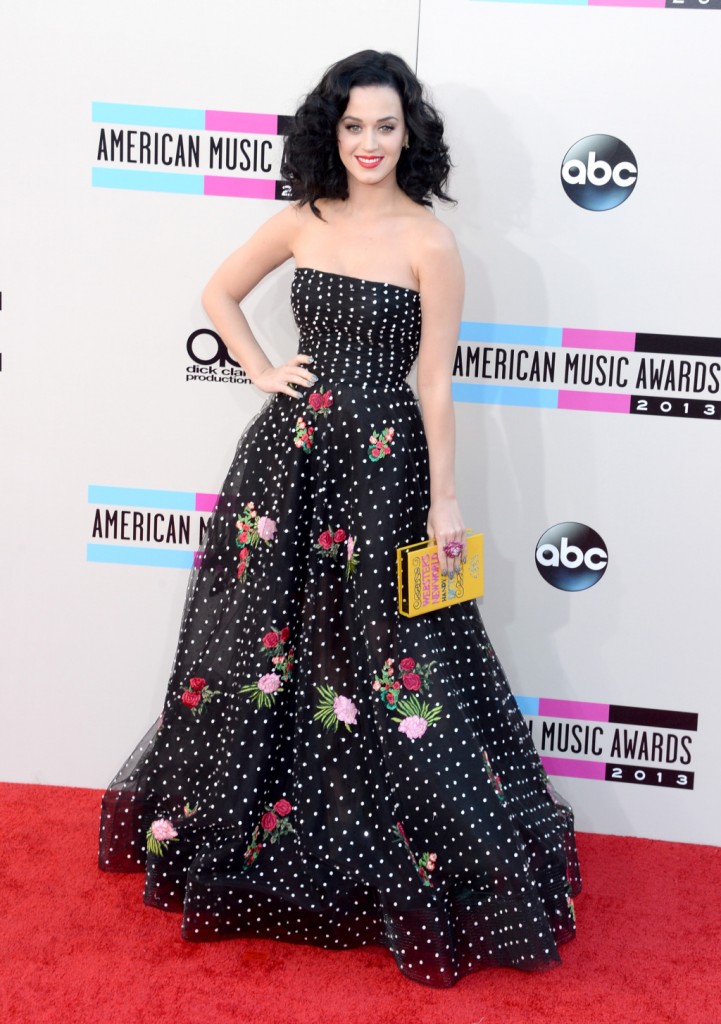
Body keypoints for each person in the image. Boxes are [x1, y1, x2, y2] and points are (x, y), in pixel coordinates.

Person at [98, 50, 580, 989]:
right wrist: (262, 369)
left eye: (386, 126)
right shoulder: (301, 219)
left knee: (394, 654)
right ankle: (272, 829)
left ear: (411, 135)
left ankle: (414, 845)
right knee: (270, 651)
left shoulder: (429, 243)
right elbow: (217, 294)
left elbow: (434, 382)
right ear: (331, 131)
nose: (368, 143)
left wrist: (445, 502)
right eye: (353, 125)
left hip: (384, 468)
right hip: (290, 464)